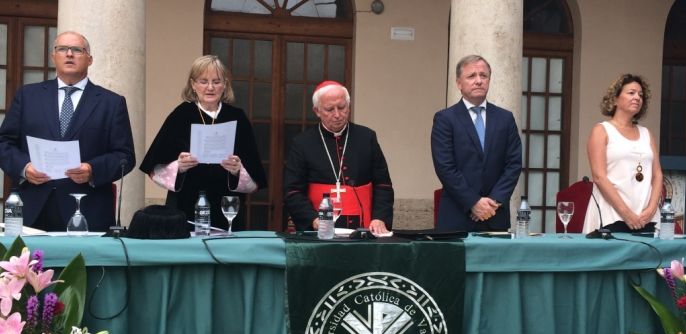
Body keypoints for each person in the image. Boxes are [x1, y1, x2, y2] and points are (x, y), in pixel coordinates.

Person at [0, 31, 136, 232]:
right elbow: (4, 143)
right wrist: (25, 168)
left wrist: (92, 170)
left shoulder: (111, 103)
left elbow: (125, 156)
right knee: (28, 264)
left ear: (89, 59)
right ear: (53, 57)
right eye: (62, 49)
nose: (69, 54)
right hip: (31, 208)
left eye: (77, 50)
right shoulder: (28, 96)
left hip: (87, 210)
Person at [139, 55, 267, 232]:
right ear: (193, 84)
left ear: (225, 85)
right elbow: (155, 166)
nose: (210, 87)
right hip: (186, 204)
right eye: (203, 81)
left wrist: (238, 169)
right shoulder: (181, 115)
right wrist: (179, 166)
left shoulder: (237, 117)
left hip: (226, 205)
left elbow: (254, 172)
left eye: (216, 81)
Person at [284, 81, 394, 235]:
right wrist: (313, 219)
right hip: (321, 228)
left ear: (348, 106)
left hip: (364, 226)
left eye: (342, 107)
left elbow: (383, 185)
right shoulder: (302, 143)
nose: (337, 114)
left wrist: (379, 217)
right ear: (317, 111)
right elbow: (293, 191)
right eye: (329, 109)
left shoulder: (366, 137)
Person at [431, 54, 523, 232]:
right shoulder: (445, 119)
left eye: (484, 75)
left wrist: (493, 202)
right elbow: (445, 167)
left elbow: (514, 164)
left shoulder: (505, 118)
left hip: (495, 216)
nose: (478, 81)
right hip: (457, 216)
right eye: (471, 76)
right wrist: (473, 202)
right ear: (459, 83)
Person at [582, 74, 663, 234]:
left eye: (640, 95)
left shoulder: (647, 133)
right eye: (631, 93)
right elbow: (599, 177)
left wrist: (652, 208)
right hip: (611, 215)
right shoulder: (601, 130)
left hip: (646, 216)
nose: (637, 98)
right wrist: (627, 214)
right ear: (615, 99)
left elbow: (657, 174)